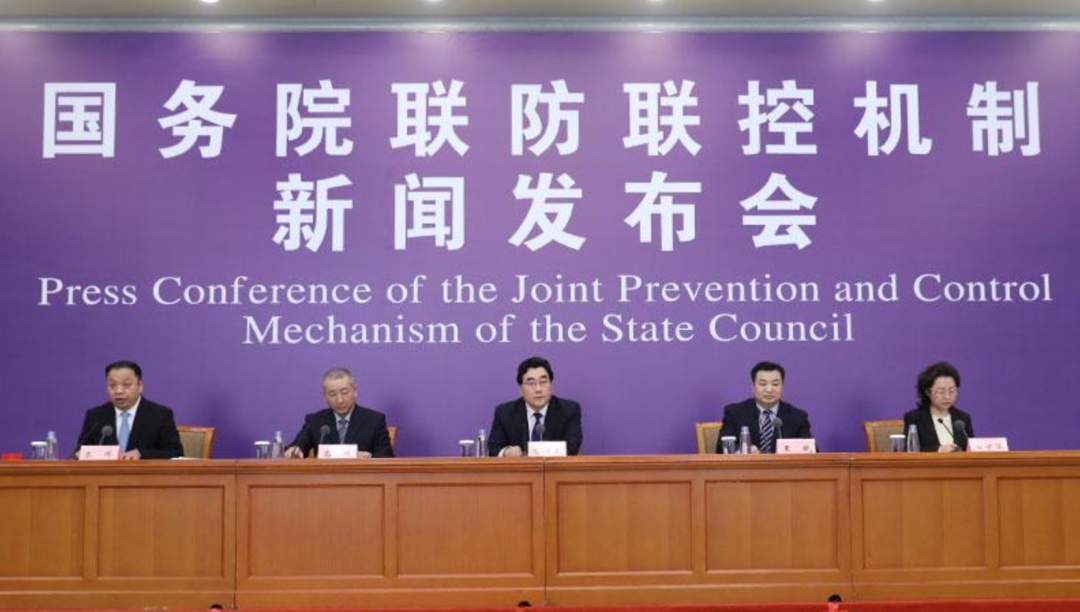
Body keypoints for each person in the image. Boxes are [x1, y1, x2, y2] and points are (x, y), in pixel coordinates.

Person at [74, 360, 184, 460]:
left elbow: (175, 453)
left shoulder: (160, 415)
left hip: (144, 475)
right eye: (112, 385)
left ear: (140, 386)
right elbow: (79, 451)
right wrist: (80, 454)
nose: (119, 391)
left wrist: (142, 454)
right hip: (105, 475)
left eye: (126, 385)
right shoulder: (95, 416)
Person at [284, 368, 394, 458]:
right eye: (332, 394)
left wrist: (368, 457)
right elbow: (297, 447)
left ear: (355, 391)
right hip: (325, 477)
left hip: (361, 477)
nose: (339, 400)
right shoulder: (315, 421)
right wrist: (295, 451)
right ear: (325, 396)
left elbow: (386, 456)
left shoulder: (374, 420)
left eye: (344, 392)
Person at [489, 356, 582, 457]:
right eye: (531, 383)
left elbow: (572, 447)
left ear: (551, 385)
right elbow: (494, 448)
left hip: (556, 467)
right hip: (519, 467)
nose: (538, 389)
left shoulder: (569, 410)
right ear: (521, 389)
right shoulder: (505, 413)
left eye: (543, 382)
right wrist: (506, 452)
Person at [716, 361, 812, 454]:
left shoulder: (798, 417)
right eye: (763, 384)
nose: (769, 389)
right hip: (748, 465)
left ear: (782, 386)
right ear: (753, 386)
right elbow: (721, 448)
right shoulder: (735, 413)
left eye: (775, 384)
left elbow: (811, 450)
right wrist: (743, 451)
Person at [903, 361, 973, 452]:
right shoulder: (914, 418)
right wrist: (938, 450)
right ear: (928, 392)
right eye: (941, 391)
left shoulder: (962, 419)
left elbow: (971, 448)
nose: (947, 396)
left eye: (951, 391)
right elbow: (908, 450)